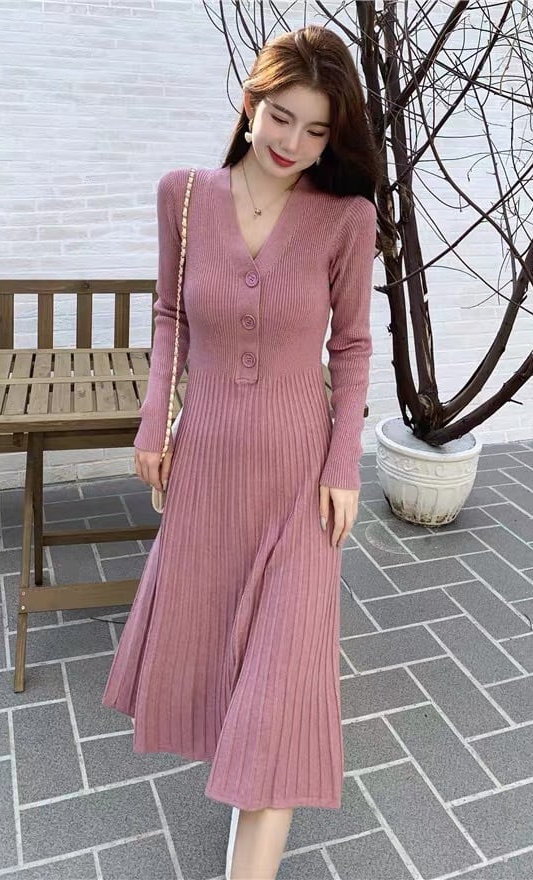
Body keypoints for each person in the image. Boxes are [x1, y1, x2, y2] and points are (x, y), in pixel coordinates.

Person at [102, 23, 380, 880]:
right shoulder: (185, 197)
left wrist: (343, 464)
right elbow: (170, 316)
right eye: (281, 117)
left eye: (317, 130)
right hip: (209, 468)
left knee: (280, 698)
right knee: (228, 676)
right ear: (252, 103)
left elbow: (352, 348)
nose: (294, 142)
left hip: (300, 481)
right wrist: (154, 419)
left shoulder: (346, 219)